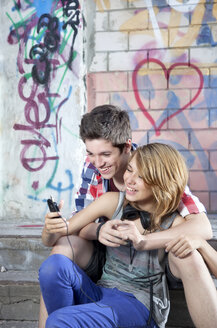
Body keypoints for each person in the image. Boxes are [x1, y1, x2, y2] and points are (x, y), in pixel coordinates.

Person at [38, 105, 213, 327]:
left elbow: (201, 226)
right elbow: (72, 227)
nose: (97, 162)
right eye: (91, 153)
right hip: (105, 270)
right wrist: (97, 229)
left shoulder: (155, 165)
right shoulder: (105, 188)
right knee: (55, 262)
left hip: (140, 293)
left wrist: (144, 240)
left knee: (188, 254)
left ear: (126, 147)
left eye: (105, 154)